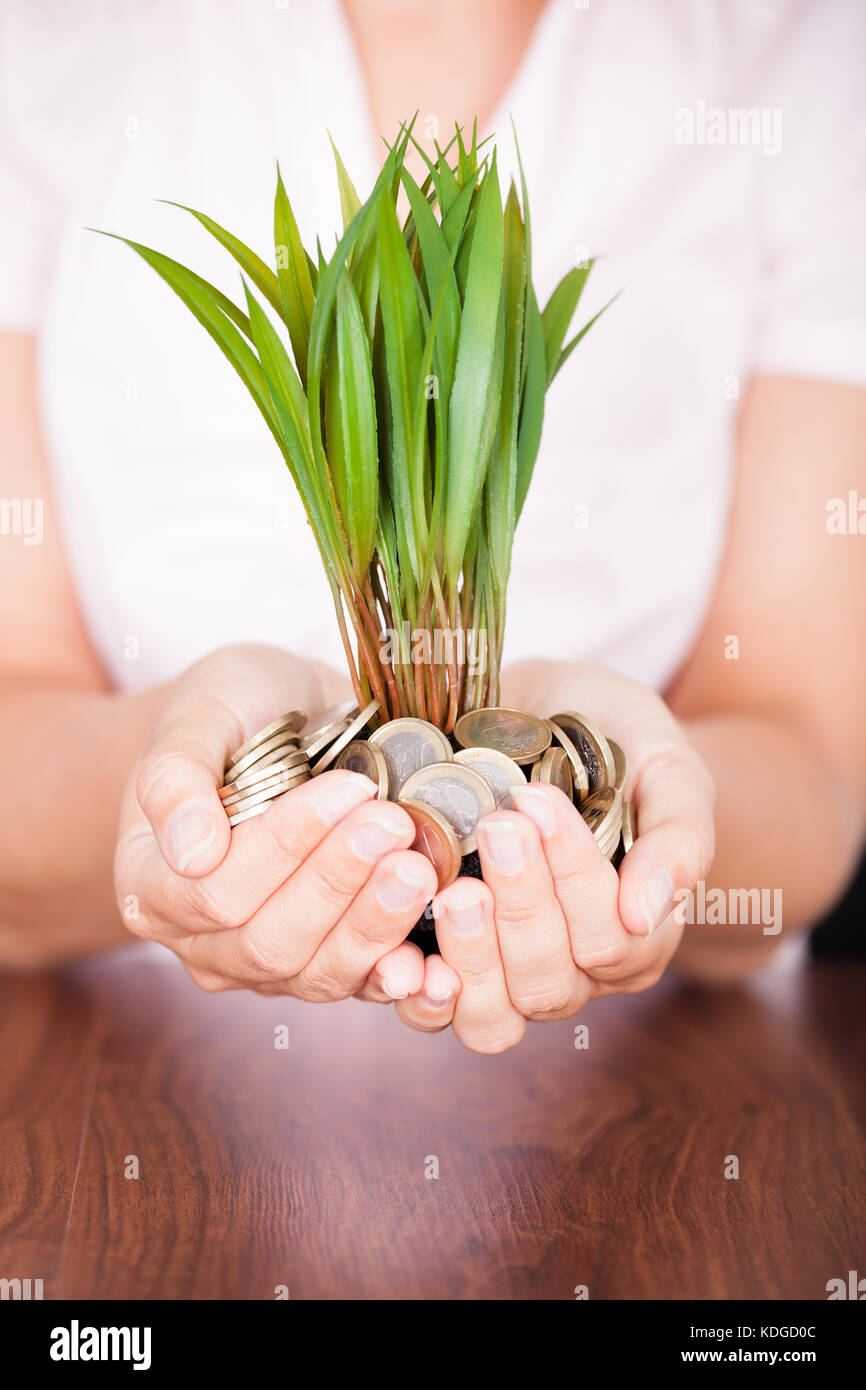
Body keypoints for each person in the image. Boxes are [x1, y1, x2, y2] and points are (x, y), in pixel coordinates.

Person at [0, 0, 864, 1053]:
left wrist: (647, 817)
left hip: (650, 1090)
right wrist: (181, 786)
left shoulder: (802, 46)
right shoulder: (50, 38)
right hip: (122, 1066)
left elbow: (806, 765)